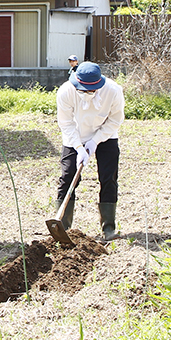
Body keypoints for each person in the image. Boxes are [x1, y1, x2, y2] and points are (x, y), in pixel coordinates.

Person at [55, 61, 125, 242]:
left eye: (90, 90)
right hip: (74, 136)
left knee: (108, 178)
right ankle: (63, 228)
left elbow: (115, 121)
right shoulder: (66, 91)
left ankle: (108, 228)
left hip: (105, 136)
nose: (86, 93)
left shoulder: (113, 91)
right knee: (68, 177)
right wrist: (79, 147)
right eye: (82, 89)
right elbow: (66, 123)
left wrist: (95, 141)